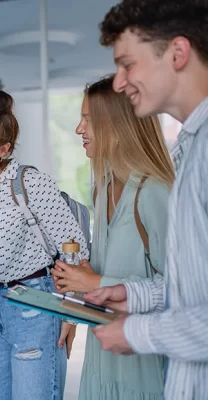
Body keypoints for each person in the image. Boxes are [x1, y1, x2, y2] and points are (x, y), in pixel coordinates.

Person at [84, 1, 208, 399]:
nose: (119, 83)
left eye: (128, 65)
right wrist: (133, 294)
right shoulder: (188, 152)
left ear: (177, 53)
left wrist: (138, 330)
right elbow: (192, 288)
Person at [0, 89, 89, 400]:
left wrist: (71, 312)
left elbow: (75, 247)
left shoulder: (28, 182)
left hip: (35, 301)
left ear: (4, 149)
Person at [51, 75, 174, 399]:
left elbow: (182, 291)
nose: (79, 129)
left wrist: (93, 283)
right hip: (104, 351)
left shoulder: (154, 192)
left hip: (143, 362)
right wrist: (75, 303)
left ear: (116, 125)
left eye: (87, 120)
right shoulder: (102, 187)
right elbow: (101, 274)